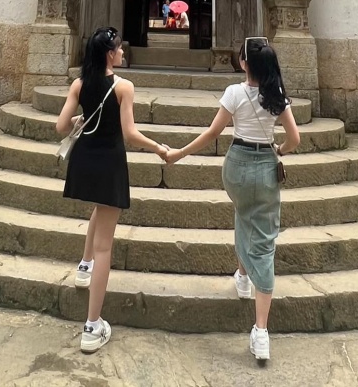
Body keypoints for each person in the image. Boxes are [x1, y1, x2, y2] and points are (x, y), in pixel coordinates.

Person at [165, 38, 299, 363]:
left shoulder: (234, 93)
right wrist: (279, 150)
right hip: (264, 169)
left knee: (242, 212)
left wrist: (180, 153)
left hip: (236, 167)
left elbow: (213, 133)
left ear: (243, 63)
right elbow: (294, 139)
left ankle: (242, 277)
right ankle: (261, 331)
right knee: (263, 243)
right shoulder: (277, 96)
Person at [56, 26, 169, 353]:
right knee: (105, 245)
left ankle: (84, 265)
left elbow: (60, 127)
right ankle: (92, 326)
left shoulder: (79, 84)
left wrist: (77, 120)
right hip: (109, 163)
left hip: (84, 161)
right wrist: (158, 148)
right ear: (109, 53)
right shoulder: (123, 87)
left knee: (100, 211)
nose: (122, 52)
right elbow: (129, 133)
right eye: (118, 48)